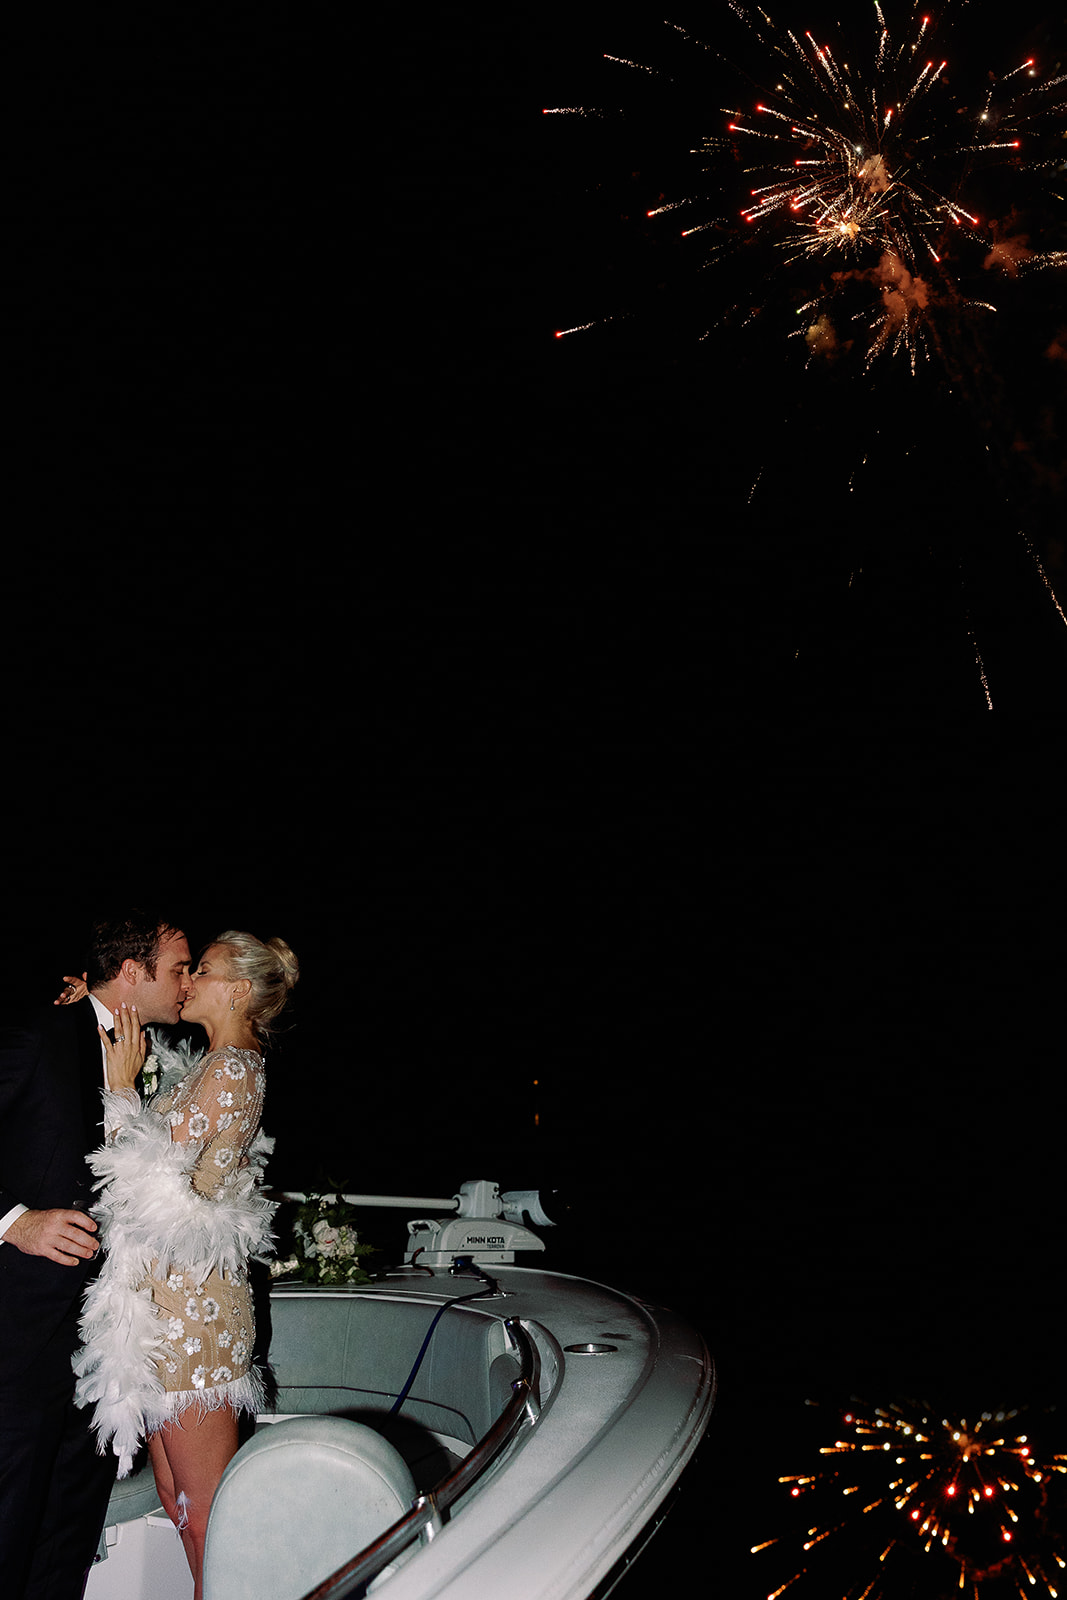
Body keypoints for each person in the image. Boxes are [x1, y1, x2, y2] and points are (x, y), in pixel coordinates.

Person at [72, 930, 298, 1600]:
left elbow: (148, 1180)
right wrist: (92, 1003)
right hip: (167, 1305)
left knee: (208, 1519)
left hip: (194, 1314)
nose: (189, 979)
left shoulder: (232, 1069)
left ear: (236, 989)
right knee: (177, 1502)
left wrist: (120, 1094)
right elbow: (164, 1114)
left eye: (201, 969)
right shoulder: (212, 1065)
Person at [0, 910, 192, 1600]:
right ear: (133, 972)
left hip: (110, 1338)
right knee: (10, 1513)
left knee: (69, 1526)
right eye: (178, 968)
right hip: (21, 1335)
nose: (188, 982)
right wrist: (14, 1221)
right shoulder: (35, 1034)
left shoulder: (165, 1060)